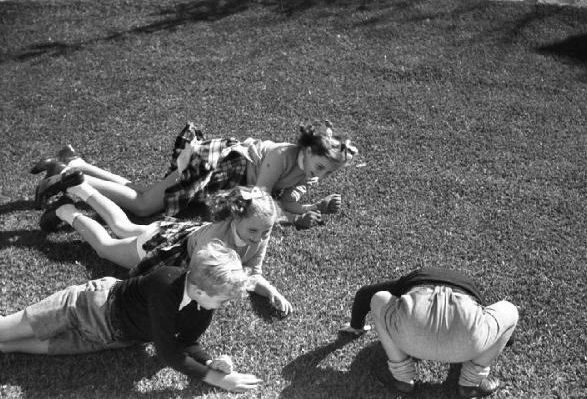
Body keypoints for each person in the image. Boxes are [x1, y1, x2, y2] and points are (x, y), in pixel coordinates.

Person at [0, 240, 262, 392]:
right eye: (223, 298)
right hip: (88, 306)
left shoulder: (204, 307)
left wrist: (210, 361)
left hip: (110, 338)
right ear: (201, 289)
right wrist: (217, 379)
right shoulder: (166, 284)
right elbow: (167, 351)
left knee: (14, 346)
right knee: (6, 330)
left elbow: (187, 342)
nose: (225, 304)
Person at [32, 120, 357, 229]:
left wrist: (315, 208)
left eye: (330, 172)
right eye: (322, 166)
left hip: (223, 176)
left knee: (146, 192)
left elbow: (286, 201)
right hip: (216, 166)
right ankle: (72, 176)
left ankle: (75, 163)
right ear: (308, 149)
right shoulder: (280, 156)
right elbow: (261, 200)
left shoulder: (306, 172)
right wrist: (294, 218)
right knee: (145, 205)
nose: (323, 175)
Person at [37, 181, 293, 315]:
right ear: (236, 218)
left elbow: (252, 271)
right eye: (253, 231)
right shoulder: (216, 241)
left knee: (123, 226)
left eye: (266, 232)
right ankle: (65, 210)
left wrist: (270, 291)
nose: (259, 238)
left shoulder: (258, 235)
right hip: (170, 249)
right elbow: (197, 281)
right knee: (106, 246)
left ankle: (79, 186)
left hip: (179, 233)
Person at [339, 267, 519, 398]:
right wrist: (506, 338)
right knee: (510, 311)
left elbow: (365, 294)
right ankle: (470, 383)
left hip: (409, 333)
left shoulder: (412, 278)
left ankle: (402, 379)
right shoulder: (470, 289)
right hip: (467, 340)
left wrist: (356, 325)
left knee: (379, 299)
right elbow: (500, 325)